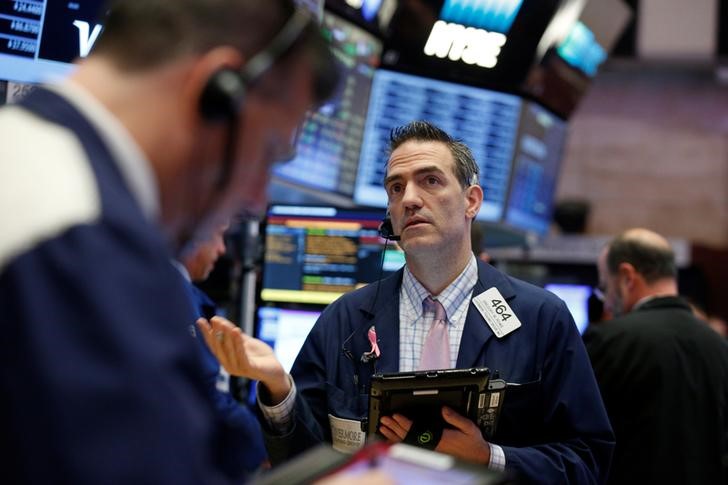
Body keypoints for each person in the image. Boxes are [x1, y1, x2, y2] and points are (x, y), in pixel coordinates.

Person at [0, 0, 338, 483]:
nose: (257, 200)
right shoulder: (83, 245)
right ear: (215, 91)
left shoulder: (25, 161)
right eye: (266, 154)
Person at [199, 121, 615, 484]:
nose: (409, 198)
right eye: (396, 188)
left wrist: (489, 458)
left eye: (430, 180)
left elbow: (589, 459)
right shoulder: (346, 320)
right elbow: (306, 462)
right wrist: (277, 386)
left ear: (471, 200)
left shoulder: (539, 317)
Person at [583, 228, 728, 485]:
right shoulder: (718, 344)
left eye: (605, 287)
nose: (606, 303)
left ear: (627, 276)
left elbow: (579, 435)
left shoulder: (611, 339)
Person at [175, 222, 268, 476]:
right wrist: (264, 446)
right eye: (218, 236)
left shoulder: (178, 292)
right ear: (194, 236)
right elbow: (205, 395)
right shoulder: (174, 296)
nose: (221, 249)